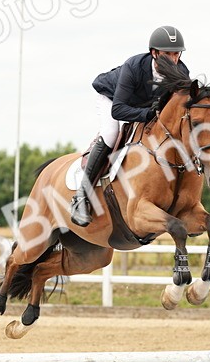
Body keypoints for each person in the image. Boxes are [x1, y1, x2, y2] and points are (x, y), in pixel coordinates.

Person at [70, 26, 192, 227]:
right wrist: (147, 114)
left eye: (176, 54)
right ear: (154, 53)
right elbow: (118, 110)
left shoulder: (182, 73)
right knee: (111, 133)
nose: (173, 59)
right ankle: (81, 197)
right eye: (167, 54)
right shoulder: (134, 67)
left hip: (142, 104)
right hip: (111, 97)